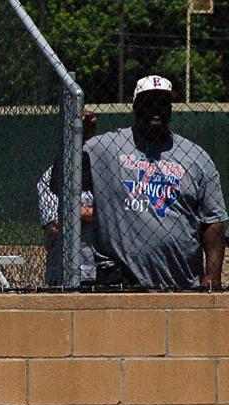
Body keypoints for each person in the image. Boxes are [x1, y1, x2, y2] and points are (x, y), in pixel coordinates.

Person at [80, 75, 226, 289]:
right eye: (148, 102)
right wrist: (78, 138)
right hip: (121, 284)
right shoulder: (105, 148)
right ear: (135, 107)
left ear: (170, 108)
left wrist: (213, 275)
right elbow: (61, 182)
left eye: (162, 102)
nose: (156, 109)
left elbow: (214, 221)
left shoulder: (196, 157)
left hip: (181, 283)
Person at [37, 110, 97, 286]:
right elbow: (55, 225)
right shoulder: (50, 177)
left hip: (98, 270)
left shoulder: (102, 173)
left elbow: (115, 218)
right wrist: (93, 215)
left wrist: (71, 212)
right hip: (62, 271)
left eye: (85, 133)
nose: (81, 140)